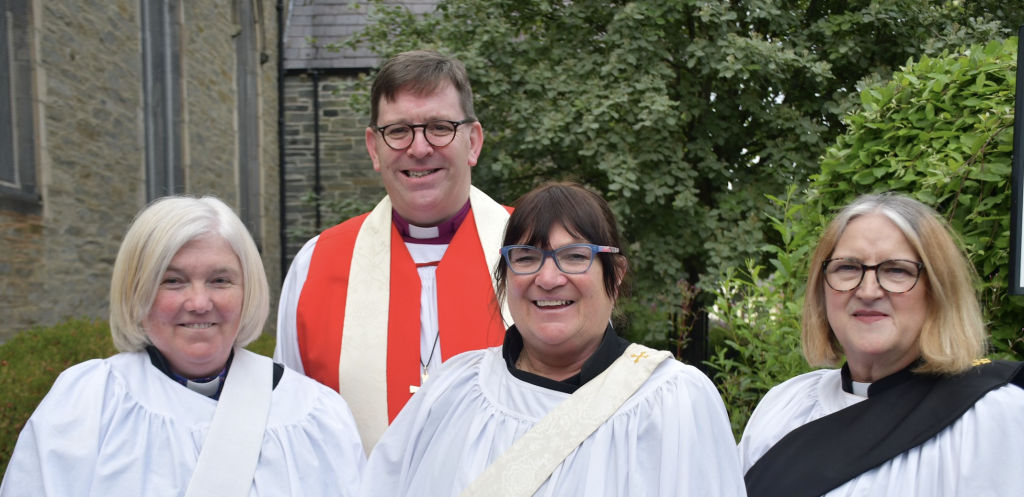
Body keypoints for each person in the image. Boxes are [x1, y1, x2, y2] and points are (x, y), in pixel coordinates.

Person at [359, 182, 746, 497]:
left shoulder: (672, 400)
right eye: (526, 257)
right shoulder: (453, 390)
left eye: (575, 256)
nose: (547, 278)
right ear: (506, 277)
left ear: (616, 274)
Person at [0, 197, 365, 496]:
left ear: (248, 290)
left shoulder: (316, 414)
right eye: (173, 281)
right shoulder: (89, 402)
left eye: (220, 280)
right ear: (137, 291)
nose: (199, 302)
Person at [275, 49, 512, 452]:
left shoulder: (536, 252)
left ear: (472, 142)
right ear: (374, 148)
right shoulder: (316, 265)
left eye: (439, 127)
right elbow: (286, 425)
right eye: (399, 130)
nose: (419, 149)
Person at [738, 193, 1024, 497]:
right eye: (848, 267)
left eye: (897, 270)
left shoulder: (989, 418)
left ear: (938, 291)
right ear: (821, 290)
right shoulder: (785, 404)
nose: (868, 290)